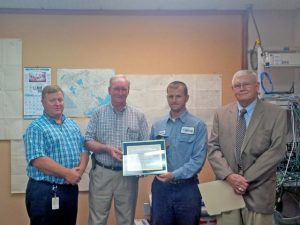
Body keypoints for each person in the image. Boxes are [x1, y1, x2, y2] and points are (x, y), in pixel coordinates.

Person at [208, 70, 287, 225]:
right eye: (237, 85)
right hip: (226, 189)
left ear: (257, 87)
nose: (242, 88)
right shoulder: (221, 114)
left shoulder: (276, 113)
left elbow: (277, 150)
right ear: (233, 90)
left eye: (246, 84)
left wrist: (243, 180)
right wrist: (230, 177)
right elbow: (213, 148)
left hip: (259, 191)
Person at [85, 74, 149, 225]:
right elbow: (88, 141)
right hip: (102, 173)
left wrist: (140, 165)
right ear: (109, 90)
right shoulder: (98, 113)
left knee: (126, 220)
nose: (120, 93)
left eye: (123, 89)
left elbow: (145, 146)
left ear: (128, 91)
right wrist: (106, 148)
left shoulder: (139, 116)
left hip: (127, 176)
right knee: (97, 219)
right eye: (116, 89)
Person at [23, 85, 89, 225]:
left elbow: (84, 149)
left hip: (69, 189)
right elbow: (38, 160)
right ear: (43, 102)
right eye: (52, 100)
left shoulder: (72, 125)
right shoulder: (36, 128)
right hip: (44, 191)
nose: (57, 103)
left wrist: (78, 172)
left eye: (60, 99)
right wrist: (67, 173)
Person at [150, 81, 208, 225]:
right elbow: (150, 154)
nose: (174, 100)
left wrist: (174, 175)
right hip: (161, 189)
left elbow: (198, 160)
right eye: (170, 96)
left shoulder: (198, 125)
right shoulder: (158, 125)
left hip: (187, 189)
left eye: (178, 96)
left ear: (186, 98)